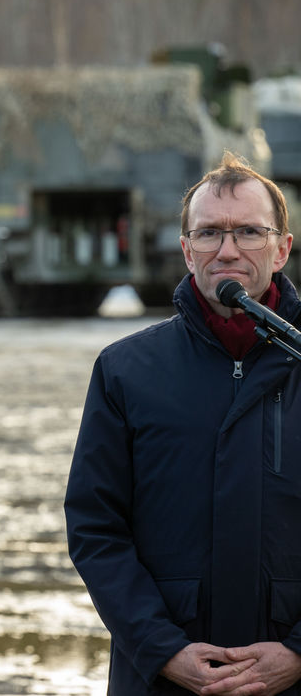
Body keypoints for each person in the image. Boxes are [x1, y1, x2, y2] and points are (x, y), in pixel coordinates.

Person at [66, 151, 301, 695]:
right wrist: (162, 647)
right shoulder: (125, 370)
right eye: (209, 234)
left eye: (248, 232)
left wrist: (297, 652)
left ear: (282, 248)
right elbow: (96, 529)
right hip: (162, 679)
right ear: (185, 250)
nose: (227, 250)